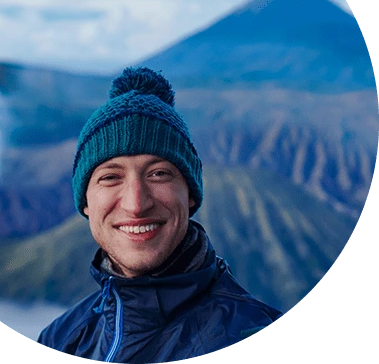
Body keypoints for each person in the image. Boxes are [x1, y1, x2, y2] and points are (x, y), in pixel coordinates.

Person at [38, 67, 281, 363]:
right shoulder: (59, 339)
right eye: (110, 177)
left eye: (159, 174)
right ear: (85, 201)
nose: (136, 204)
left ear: (190, 193)